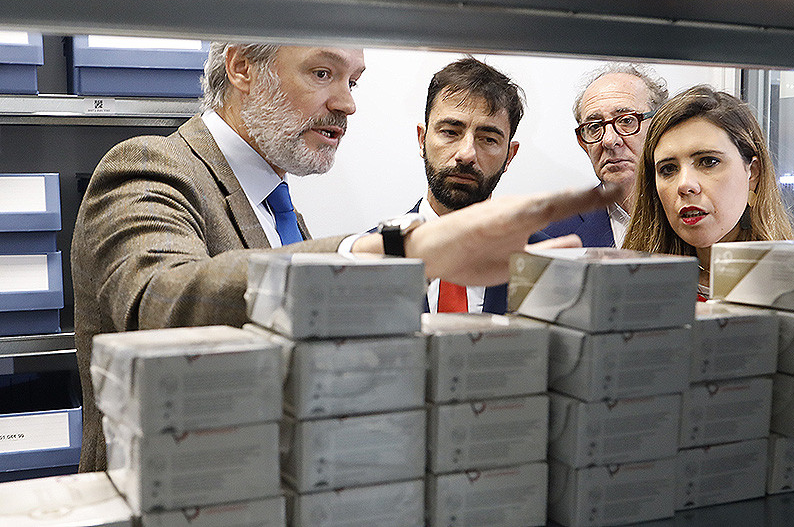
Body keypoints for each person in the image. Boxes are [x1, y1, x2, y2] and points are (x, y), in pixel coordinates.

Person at [71, 42, 621, 471]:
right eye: (322, 73)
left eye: (353, 80)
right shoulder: (150, 165)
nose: (348, 102)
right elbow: (158, 302)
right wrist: (393, 247)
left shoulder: (283, 211)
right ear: (242, 67)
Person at [622, 85, 794, 300]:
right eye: (668, 169)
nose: (685, 185)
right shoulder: (634, 282)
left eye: (708, 162)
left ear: (752, 173)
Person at [404, 57, 539, 314]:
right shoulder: (371, 254)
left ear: (510, 155)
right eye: (450, 132)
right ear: (422, 140)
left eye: (488, 139)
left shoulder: (540, 259)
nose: (466, 154)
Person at [541, 63, 668, 247]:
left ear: (660, 127)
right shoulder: (553, 236)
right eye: (594, 127)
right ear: (584, 144)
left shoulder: (693, 214)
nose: (609, 140)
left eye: (626, 121)